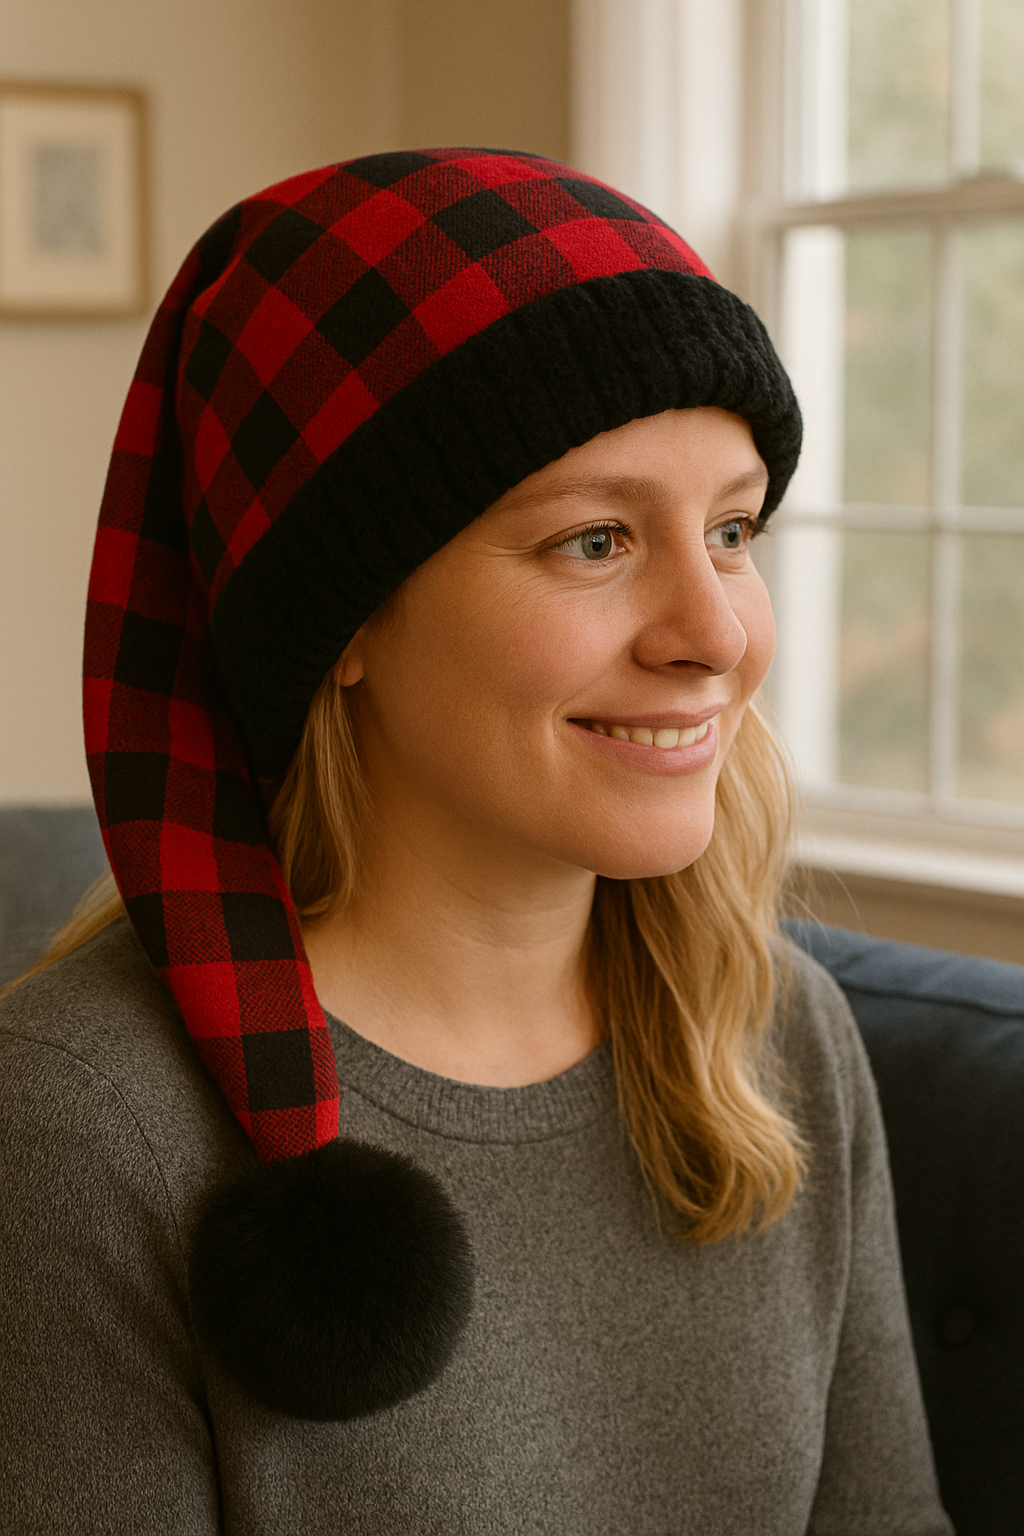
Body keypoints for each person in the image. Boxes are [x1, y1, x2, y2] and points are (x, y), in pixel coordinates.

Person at [0, 148, 953, 1534]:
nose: (716, 634)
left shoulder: (774, 1033)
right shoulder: (84, 1130)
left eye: (734, 527)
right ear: (347, 625)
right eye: (593, 542)